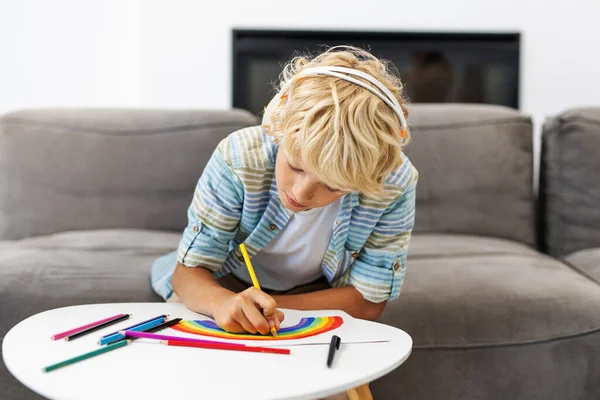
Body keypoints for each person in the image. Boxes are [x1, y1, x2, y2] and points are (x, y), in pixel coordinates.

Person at [150, 45, 418, 336]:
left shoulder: (392, 182)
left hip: (318, 292)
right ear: (278, 119)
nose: (301, 194)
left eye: (332, 186)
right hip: (222, 282)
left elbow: (367, 302)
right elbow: (188, 274)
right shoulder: (238, 158)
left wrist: (270, 307)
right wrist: (223, 302)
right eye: (295, 166)